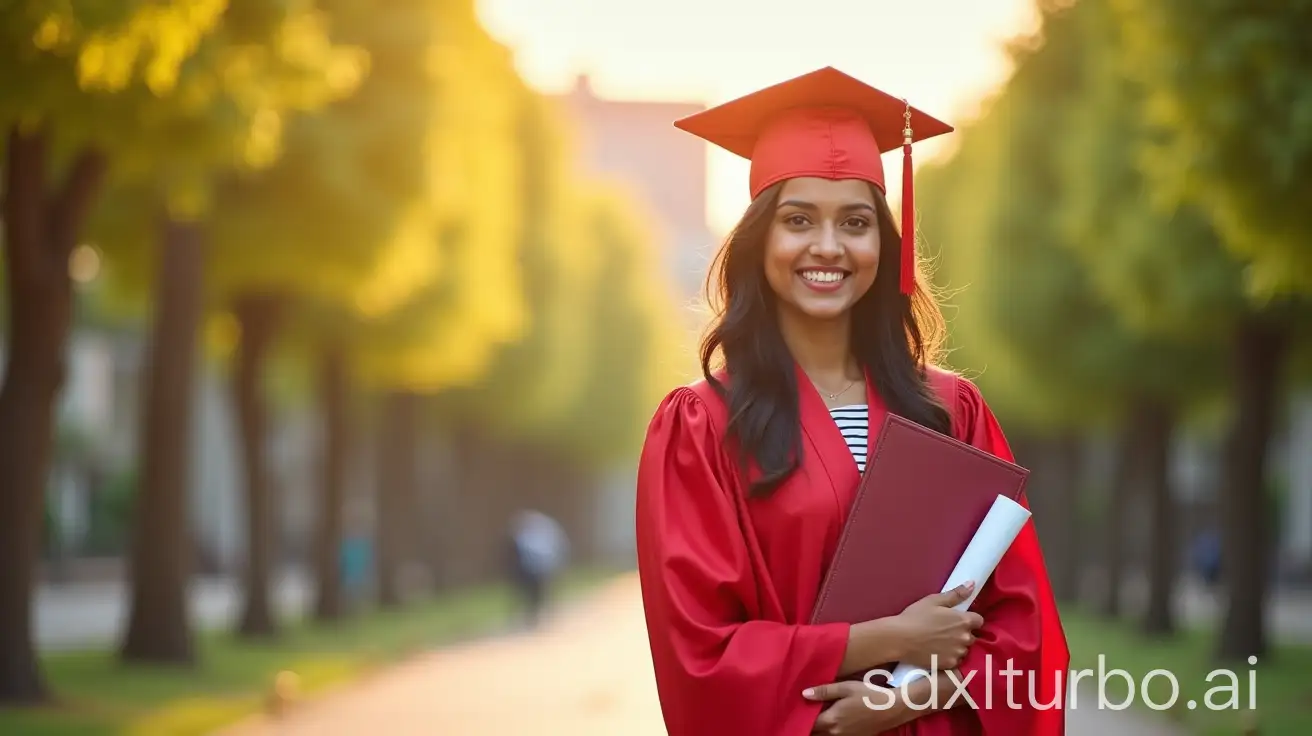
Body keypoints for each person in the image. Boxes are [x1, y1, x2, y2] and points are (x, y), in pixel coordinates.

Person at [634, 67, 1069, 736]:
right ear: (759, 240)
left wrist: (910, 698)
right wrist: (882, 639)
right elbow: (699, 653)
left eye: (856, 222)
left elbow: (1024, 630)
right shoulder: (703, 426)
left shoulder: (953, 412)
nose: (828, 247)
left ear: (883, 243)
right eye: (798, 220)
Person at [506, 508, 569, 628]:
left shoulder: (543, 534)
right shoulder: (524, 536)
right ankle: (528, 615)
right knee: (526, 593)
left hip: (541, 568)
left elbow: (554, 551)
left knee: (540, 593)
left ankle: (538, 615)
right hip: (528, 569)